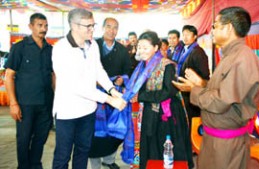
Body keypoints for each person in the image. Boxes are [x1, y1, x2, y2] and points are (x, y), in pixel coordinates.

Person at [173, 6, 259, 169]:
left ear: (228, 28)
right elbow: (223, 89)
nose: (212, 31)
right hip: (215, 139)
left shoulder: (242, 59)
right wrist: (201, 84)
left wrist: (192, 90)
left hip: (225, 144)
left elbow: (220, 101)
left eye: (215, 26)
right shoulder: (231, 56)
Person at [51, 8, 126, 169]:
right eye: (88, 26)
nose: (92, 29)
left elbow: (99, 70)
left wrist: (112, 90)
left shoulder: (92, 45)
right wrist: (109, 99)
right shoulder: (61, 49)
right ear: (74, 26)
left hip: (88, 111)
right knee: (63, 155)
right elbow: (76, 85)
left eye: (93, 25)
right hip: (68, 112)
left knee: (83, 150)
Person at [127, 31, 193, 169]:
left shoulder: (167, 65)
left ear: (156, 48)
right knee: (150, 148)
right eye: (139, 47)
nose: (141, 51)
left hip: (165, 115)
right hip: (148, 112)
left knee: (162, 148)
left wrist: (140, 96)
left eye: (145, 47)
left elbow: (168, 91)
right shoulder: (141, 66)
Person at [4, 13, 54, 169]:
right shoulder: (20, 48)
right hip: (25, 104)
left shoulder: (50, 50)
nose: (43, 29)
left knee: (41, 138)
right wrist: (13, 103)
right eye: (39, 25)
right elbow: (9, 76)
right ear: (30, 26)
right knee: (24, 140)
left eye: (45, 25)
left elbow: (53, 76)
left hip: (46, 104)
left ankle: (35, 165)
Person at [88, 17, 131, 169]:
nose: (112, 31)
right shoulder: (93, 46)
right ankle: (94, 164)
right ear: (102, 28)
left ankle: (109, 160)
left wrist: (122, 79)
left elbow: (128, 72)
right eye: (109, 27)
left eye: (115, 28)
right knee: (94, 132)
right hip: (94, 95)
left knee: (113, 131)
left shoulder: (122, 50)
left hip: (115, 96)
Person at [174, 25, 210, 128]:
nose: (185, 37)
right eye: (183, 35)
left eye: (188, 34)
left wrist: (197, 85)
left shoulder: (198, 52)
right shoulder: (183, 50)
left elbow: (205, 76)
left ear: (195, 36)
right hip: (184, 91)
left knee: (192, 120)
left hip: (193, 92)